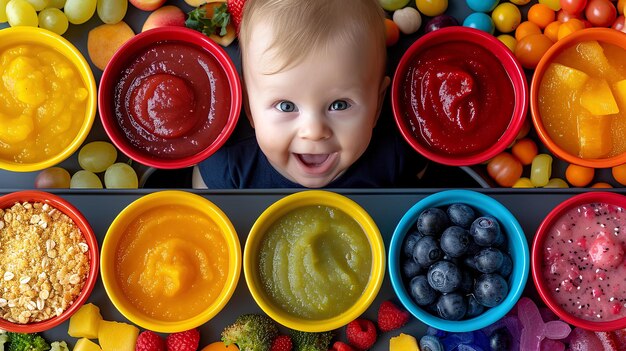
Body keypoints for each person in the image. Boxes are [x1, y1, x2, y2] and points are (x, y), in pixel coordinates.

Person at [193, 0, 425, 189]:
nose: (314, 132)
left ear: (377, 104)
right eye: (286, 106)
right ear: (249, 108)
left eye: (339, 105)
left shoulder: (396, 155)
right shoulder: (229, 164)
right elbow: (204, 194)